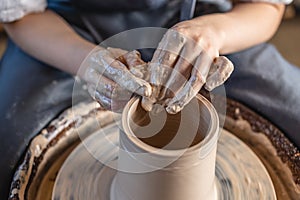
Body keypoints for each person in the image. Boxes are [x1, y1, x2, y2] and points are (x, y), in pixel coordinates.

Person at [1, 0, 299, 199]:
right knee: (10, 142)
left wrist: (215, 33)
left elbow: (265, 7)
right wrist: (86, 62)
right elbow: (21, 16)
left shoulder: (212, 32)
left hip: (208, 29)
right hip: (69, 33)